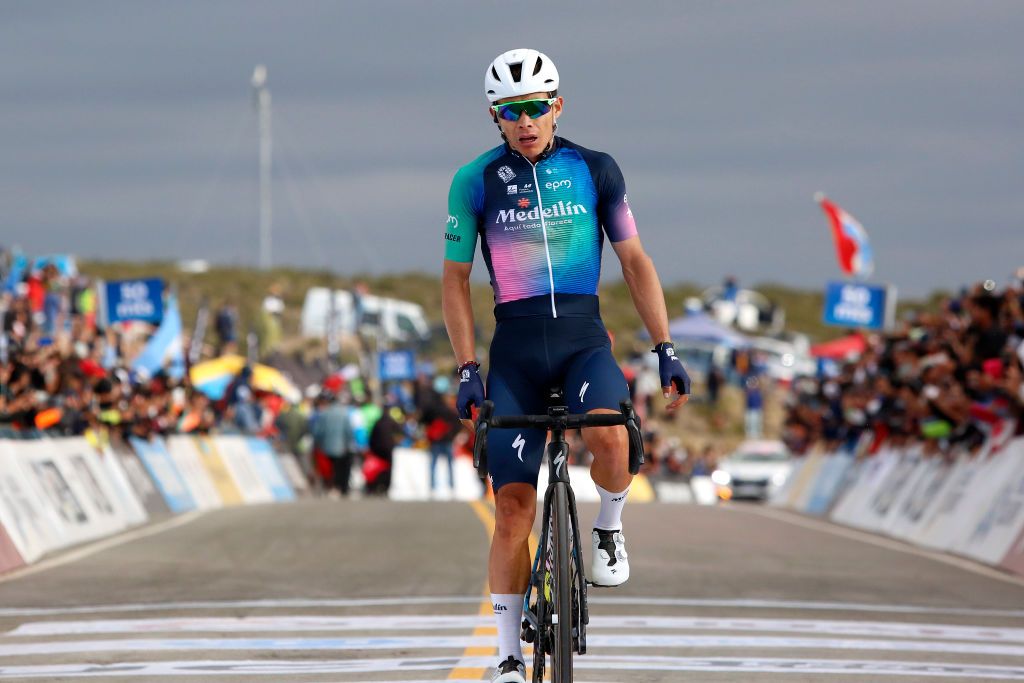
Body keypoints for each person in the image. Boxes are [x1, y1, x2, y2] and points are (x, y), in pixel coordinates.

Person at [441, 48, 691, 682]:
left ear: (557, 105)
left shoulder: (595, 169)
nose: (524, 121)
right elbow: (455, 281)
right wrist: (467, 367)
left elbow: (635, 263)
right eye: (509, 111)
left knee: (611, 428)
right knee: (513, 511)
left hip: (583, 340)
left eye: (535, 107)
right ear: (494, 117)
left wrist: (666, 347)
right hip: (516, 352)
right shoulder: (473, 180)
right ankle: (504, 654)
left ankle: (608, 526)